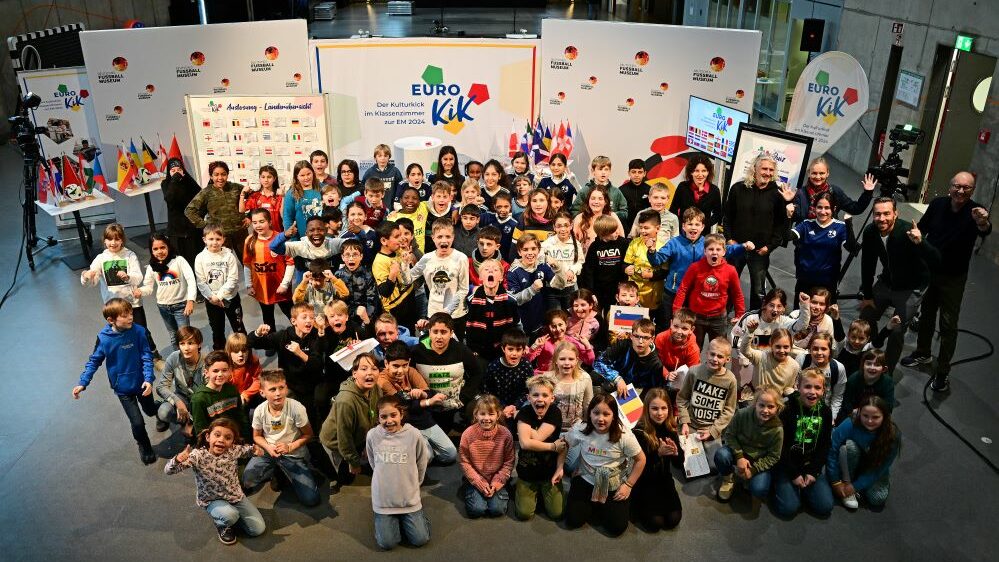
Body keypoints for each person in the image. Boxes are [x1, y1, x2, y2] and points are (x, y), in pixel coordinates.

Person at [903, 171, 992, 391]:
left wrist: (983, 222)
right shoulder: (937, 204)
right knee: (926, 315)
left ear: (972, 190)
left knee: (948, 324)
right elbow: (921, 229)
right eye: (957, 186)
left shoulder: (975, 212)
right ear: (950, 186)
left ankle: (942, 371)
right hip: (931, 271)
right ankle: (923, 353)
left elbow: (985, 230)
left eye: (966, 188)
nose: (960, 191)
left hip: (954, 277)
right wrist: (915, 237)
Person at [859, 197, 941, 375]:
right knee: (866, 316)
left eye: (887, 213)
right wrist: (867, 295)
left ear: (895, 213)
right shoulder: (870, 232)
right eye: (877, 214)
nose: (882, 218)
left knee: (897, 331)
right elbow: (867, 264)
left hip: (911, 287)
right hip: (887, 282)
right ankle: (873, 354)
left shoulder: (907, 232)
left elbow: (936, 260)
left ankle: (886, 372)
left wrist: (921, 243)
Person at [72, 298, 158, 465]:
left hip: (142, 384)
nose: (130, 318)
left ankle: (160, 413)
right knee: (137, 423)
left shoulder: (139, 331)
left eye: (131, 314)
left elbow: (147, 356)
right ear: (111, 320)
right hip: (123, 389)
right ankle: (144, 445)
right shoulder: (104, 339)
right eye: (125, 316)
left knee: (150, 410)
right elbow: (94, 361)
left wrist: (148, 379)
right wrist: (83, 382)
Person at [557, 393, 646, 537]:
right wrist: (559, 467)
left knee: (616, 528)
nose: (600, 419)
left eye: (606, 414)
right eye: (596, 413)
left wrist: (628, 485)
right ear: (589, 413)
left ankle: (601, 504)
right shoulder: (581, 429)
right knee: (573, 520)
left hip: (613, 482)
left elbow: (641, 459)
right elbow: (564, 445)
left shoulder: (624, 436)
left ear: (614, 415)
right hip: (586, 477)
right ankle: (593, 502)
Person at [165, 418, 266, 545]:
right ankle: (222, 523)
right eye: (217, 435)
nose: (221, 440)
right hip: (212, 499)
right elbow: (168, 471)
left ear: (232, 442)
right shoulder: (198, 456)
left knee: (257, 529)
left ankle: (230, 516)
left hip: (234, 496)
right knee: (230, 516)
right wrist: (177, 459)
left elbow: (249, 450)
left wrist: (257, 450)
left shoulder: (233, 450)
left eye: (228, 438)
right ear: (208, 437)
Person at [648, 208, 751, 327]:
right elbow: (657, 260)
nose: (693, 227)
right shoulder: (674, 243)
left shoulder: (707, 243)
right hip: (673, 292)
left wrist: (743, 246)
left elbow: (727, 250)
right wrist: (651, 251)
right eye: (690, 224)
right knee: (667, 325)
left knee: (689, 328)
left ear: (702, 227)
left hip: (696, 294)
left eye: (697, 224)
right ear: (683, 226)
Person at [723, 153, 794, 309]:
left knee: (758, 290)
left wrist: (770, 247)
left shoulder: (778, 193)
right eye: (764, 169)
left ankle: (755, 319)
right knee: (729, 285)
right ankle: (722, 316)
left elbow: (781, 224)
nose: (767, 173)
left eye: (771, 170)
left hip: (760, 251)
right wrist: (729, 240)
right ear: (754, 168)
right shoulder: (738, 188)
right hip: (737, 247)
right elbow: (727, 217)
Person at [242, 370, 321, 507]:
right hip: (269, 451)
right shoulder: (259, 411)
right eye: (272, 389)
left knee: (311, 499)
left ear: (286, 388)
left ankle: (284, 472)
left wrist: (290, 447)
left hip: (292, 453)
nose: (278, 393)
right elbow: (257, 436)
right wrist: (268, 447)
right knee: (247, 480)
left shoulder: (297, 408)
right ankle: (277, 470)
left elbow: (309, 435)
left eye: (281, 388)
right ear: (262, 392)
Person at [81, 223, 159, 358]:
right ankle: (130, 356)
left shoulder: (129, 255)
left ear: (122, 239)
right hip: (113, 305)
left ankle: (153, 355)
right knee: (119, 332)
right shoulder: (101, 258)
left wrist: (128, 277)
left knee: (142, 330)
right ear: (104, 240)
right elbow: (92, 280)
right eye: (110, 239)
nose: (113, 243)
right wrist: (86, 276)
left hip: (132, 303)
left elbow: (138, 277)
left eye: (117, 239)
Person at [366, 394, 432, 550]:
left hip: (408, 498)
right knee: (387, 543)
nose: (389, 421)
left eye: (393, 415)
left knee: (420, 539)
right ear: (378, 418)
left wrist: (415, 485)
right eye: (383, 417)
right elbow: (373, 462)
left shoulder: (414, 434)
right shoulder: (372, 436)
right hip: (383, 499)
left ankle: (414, 518)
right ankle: (389, 520)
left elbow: (422, 461)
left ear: (401, 414)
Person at [246, 303, 325, 426]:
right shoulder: (283, 336)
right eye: (304, 317)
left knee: (311, 419)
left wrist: (300, 353)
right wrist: (257, 333)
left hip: (311, 385)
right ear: (293, 321)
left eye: (311, 317)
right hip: (290, 385)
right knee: (287, 417)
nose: (309, 321)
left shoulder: (316, 336)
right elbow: (251, 342)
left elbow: (318, 365)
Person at [378, 341, 455, 463]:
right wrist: (428, 401)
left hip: (424, 420)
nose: (400, 370)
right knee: (427, 457)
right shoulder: (382, 380)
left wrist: (421, 393)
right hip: (407, 424)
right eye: (396, 366)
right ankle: (419, 453)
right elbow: (403, 404)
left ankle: (418, 453)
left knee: (450, 455)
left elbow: (428, 392)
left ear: (408, 362)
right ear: (386, 363)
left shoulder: (411, 371)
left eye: (404, 365)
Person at [772, 369, 834, 518]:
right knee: (788, 509)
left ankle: (804, 488)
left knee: (825, 507)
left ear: (823, 390)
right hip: (787, 465)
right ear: (798, 387)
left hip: (809, 465)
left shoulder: (825, 411)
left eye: (817, 388)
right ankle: (780, 485)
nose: (812, 392)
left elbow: (825, 445)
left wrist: (813, 471)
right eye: (807, 387)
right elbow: (780, 446)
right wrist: (793, 474)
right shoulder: (787, 410)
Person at [411, 313, 483, 433]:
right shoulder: (416, 352)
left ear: (451, 333)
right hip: (427, 406)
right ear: (429, 331)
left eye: (443, 332)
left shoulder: (462, 350)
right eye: (435, 331)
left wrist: (463, 397)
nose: (439, 336)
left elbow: (477, 373)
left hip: (455, 405)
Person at [401, 218, 471, 337]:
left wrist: (447, 311)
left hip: (456, 314)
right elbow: (407, 280)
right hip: (434, 312)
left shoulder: (461, 258)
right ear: (433, 237)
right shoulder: (427, 258)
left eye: (448, 237)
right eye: (440, 237)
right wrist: (405, 264)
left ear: (453, 237)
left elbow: (464, 289)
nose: (444, 240)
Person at [673, 233, 746, 347]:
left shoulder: (730, 270)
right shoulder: (695, 267)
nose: (714, 252)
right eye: (711, 249)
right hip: (696, 316)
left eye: (718, 249)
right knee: (692, 348)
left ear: (724, 252)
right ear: (705, 251)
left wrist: (739, 315)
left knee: (719, 349)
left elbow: (737, 294)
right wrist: (676, 311)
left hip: (719, 318)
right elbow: (683, 289)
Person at [321, 353, 383, 485]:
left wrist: (369, 444)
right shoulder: (346, 401)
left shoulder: (376, 388)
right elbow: (344, 437)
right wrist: (354, 462)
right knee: (346, 479)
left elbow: (376, 416)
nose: (370, 373)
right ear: (354, 373)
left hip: (360, 434)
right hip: (337, 442)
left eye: (374, 368)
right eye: (364, 368)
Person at [714, 385, 784, 501]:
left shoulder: (778, 429)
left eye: (771, 407)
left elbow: (774, 456)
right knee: (721, 455)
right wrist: (739, 456)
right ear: (755, 404)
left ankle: (748, 477)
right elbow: (730, 435)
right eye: (761, 405)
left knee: (759, 489)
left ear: (777, 408)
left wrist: (754, 470)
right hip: (739, 451)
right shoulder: (742, 414)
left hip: (758, 460)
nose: (765, 410)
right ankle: (728, 479)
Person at [828, 396, 900, 510]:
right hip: (851, 459)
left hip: (873, 467)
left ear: (884, 417)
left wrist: (856, 486)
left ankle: (859, 483)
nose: (870, 421)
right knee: (850, 446)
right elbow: (832, 450)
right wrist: (835, 481)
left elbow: (882, 467)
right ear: (859, 413)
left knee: (877, 499)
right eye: (865, 416)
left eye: (875, 417)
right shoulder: (850, 423)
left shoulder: (893, 435)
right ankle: (847, 480)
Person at [676, 338, 739, 466]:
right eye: (712, 354)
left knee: (714, 466)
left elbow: (729, 410)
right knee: (688, 465)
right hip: (691, 426)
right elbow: (682, 398)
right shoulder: (694, 371)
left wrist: (713, 431)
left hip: (711, 428)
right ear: (706, 353)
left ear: (727, 359)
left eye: (720, 356)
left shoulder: (730, 379)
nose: (715, 359)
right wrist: (684, 422)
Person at [514, 374, 567, 521]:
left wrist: (522, 423)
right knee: (524, 514)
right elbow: (525, 443)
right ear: (528, 397)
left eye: (545, 395)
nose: (540, 399)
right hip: (527, 473)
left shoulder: (554, 412)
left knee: (557, 514)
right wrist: (552, 447)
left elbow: (536, 438)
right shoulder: (524, 412)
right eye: (535, 395)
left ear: (552, 398)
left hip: (549, 473)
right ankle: (523, 488)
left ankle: (544, 493)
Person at [788, 191, 858, 300]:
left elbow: (852, 248)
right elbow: (786, 236)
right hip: (804, 280)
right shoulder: (806, 224)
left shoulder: (840, 227)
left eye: (827, 208)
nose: (823, 211)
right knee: (799, 314)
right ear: (814, 208)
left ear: (834, 209)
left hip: (827, 283)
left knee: (825, 316)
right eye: (819, 207)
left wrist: (849, 224)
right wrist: (788, 217)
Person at [632, 388, 683, 531]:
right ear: (647, 409)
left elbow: (679, 464)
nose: (660, 413)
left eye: (663, 408)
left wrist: (675, 453)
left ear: (669, 409)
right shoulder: (639, 432)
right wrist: (658, 455)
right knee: (655, 524)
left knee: (673, 520)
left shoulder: (671, 429)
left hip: (664, 479)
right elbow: (638, 469)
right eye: (654, 408)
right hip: (644, 482)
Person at [459, 395, 516, 518]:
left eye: (491, 414)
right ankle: (469, 486)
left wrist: (495, 484)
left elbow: (508, 463)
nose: (486, 418)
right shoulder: (467, 434)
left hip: (497, 477)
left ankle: (500, 487)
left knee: (497, 510)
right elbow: (465, 462)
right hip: (477, 477)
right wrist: (479, 483)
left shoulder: (506, 434)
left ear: (498, 415)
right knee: (477, 510)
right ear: (476, 415)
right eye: (482, 414)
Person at [243, 209, 292, 341]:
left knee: (291, 313)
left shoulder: (280, 238)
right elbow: (247, 265)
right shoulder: (250, 241)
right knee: (267, 316)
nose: (258, 225)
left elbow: (290, 263)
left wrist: (285, 284)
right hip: (262, 289)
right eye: (254, 222)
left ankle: (301, 336)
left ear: (270, 222)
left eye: (261, 221)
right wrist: (249, 285)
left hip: (281, 289)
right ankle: (271, 341)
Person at [195, 224, 246, 351]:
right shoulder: (200, 258)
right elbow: (201, 281)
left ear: (223, 239)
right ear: (204, 240)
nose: (214, 242)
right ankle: (220, 354)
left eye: (218, 239)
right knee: (217, 330)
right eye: (211, 239)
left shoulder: (229, 256)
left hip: (230, 298)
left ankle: (244, 351)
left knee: (238, 327)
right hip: (212, 301)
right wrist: (212, 297)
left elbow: (233, 279)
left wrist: (219, 296)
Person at [141, 233, 196, 349]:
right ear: (151, 250)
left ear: (168, 247)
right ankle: (178, 360)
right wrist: (139, 291)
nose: (159, 251)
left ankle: (189, 361)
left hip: (181, 305)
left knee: (185, 336)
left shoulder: (178, 260)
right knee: (173, 335)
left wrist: (190, 300)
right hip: (163, 306)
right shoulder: (152, 267)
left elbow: (191, 279)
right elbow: (148, 287)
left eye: (162, 247)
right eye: (155, 249)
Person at [185, 161, 247, 258]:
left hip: (240, 233)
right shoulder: (206, 192)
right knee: (221, 266)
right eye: (216, 175)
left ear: (227, 174)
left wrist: (250, 217)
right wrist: (206, 226)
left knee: (248, 263)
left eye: (223, 174)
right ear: (211, 176)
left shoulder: (236, 187)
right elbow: (189, 210)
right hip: (220, 236)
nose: (220, 178)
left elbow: (255, 199)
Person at [790, 157, 875, 224]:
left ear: (827, 173)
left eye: (822, 173)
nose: (818, 177)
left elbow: (855, 209)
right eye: (814, 173)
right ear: (808, 173)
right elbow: (793, 217)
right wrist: (787, 202)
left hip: (830, 240)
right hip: (805, 242)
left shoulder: (835, 191)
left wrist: (868, 192)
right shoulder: (800, 193)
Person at [465, 259, 520, 361]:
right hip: (479, 350)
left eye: (495, 270)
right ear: (480, 277)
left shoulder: (510, 300)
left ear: (501, 277)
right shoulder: (471, 300)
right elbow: (468, 327)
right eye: (486, 270)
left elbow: (517, 325)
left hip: (503, 350)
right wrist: (471, 349)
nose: (490, 272)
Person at [155, 326, 204, 436]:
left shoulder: (206, 362)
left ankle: (192, 424)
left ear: (199, 344)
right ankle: (184, 421)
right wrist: (178, 402)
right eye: (182, 344)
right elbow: (161, 386)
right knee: (163, 412)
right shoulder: (174, 358)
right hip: (182, 396)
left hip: (201, 401)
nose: (186, 348)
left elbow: (209, 395)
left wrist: (193, 423)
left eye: (190, 343)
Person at [593, 318, 663, 394]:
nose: (640, 341)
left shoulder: (656, 364)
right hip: (613, 383)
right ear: (631, 336)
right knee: (593, 376)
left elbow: (654, 391)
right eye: (637, 336)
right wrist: (617, 379)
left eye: (645, 337)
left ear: (652, 339)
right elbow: (598, 362)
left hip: (635, 395)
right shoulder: (623, 345)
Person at [579, 215, 629, 319]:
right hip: (598, 290)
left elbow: (627, 264)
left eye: (616, 230)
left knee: (612, 318)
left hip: (616, 289)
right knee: (596, 318)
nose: (617, 233)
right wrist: (590, 292)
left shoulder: (623, 243)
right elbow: (589, 270)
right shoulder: (594, 246)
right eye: (613, 231)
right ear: (603, 234)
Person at [506, 233, 556, 337]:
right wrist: (532, 289)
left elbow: (558, 285)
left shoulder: (542, 265)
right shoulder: (513, 272)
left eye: (533, 249)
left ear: (538, 250)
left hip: (541, 319)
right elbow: (515, 300)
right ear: (519, 252)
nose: (530, 253)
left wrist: (558, 268)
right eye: (525, 249)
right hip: (523, 322)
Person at [190, 351, 249, 437]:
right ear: (206, 373)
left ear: (230, 371)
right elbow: (201, 430)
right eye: (215, 371)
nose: (220, 374)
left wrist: (246, 438)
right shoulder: (199, 399)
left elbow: (241, 417)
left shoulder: (232, 390)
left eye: (224, 370)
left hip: (234, 437)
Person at [373, 221, 419, 331]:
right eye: (397, 236)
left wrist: (409, 261)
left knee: (411, 333)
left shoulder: (399, 250)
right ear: (384, 241)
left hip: (409, 298)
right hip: (396, 308)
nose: (401, 239)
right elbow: (385, 292)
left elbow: (408, 277)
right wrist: (392, 274)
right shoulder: (379, 262)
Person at [161, 157, 204, 272]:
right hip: (176, 231)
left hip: (192, 230)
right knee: (181, 263)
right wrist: (175, 179)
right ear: (169, 173)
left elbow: (201, 196)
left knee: (196, 261)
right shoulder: (166, 183)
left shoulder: (189, 182)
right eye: (173, 170)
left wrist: (185, 179)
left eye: (179, 170)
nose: (176, 173)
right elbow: (169, 198)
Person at [483, 329, 534, 423]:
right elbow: (489, 391)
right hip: (497, 404)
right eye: (510, 349)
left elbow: (529, 390)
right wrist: (503, 407)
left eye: (518, 349)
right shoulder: (494, 366)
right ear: (503, 348)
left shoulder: (526, 365)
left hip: (520, 404)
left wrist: (515, 406)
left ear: (523, 349)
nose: (514, 353)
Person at [739, 324, 800, 397]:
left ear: (791, 347)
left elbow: (788, 387)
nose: (782, 350)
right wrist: (750, 332)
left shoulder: (794, 366)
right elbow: (744, 350)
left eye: (786, 347)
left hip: (777, 402)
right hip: (755, 397)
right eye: (778, 347)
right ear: (771, 345)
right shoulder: (761, 357)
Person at [837, 349, 895, 425]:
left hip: (876, 414)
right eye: (868, 363)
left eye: (877, 365)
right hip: (855, 412)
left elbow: (888, 406)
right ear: (863, 365)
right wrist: (855, 411)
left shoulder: (888, 382)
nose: (872, 367)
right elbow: (846, 401)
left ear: (884, 369)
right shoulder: (854, 379)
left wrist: (872, 413)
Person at [625, 209, 667, 311]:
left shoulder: (664, 247)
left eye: (646, 228)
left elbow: (665, 271)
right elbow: (626, 263)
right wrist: (626, 269)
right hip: (633, 293)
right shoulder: (634, 243)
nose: (643, 231)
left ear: (657, 228)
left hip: (653, 294)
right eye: (641, 227)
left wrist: (652, 275)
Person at [527, 309, 595, 371]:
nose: (558, 329)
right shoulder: (543, 342)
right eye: (553, 326)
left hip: (566, 376)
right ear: (548, 327)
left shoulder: (572, 341)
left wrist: (587, 345)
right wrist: (534, 346)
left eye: (560, 325)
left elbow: (589, 361)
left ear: (566, 324)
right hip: (546, 377)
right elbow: (527, 360)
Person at [653, 308, 702, 393]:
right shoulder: (660, 338)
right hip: (661, 372)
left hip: (682, 380)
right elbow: (656, 361)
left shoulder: (694, 349)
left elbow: (692, 374)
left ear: (692, 330)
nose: (679, 331)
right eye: (675, 326)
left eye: (684, 328)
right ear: (671, 323)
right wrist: (666, 374)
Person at [548, 341, 594, 432]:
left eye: (571, 359)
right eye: (562, 359)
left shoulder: (585, 378)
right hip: (551, 428)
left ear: (577, 360)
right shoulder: (547, 378)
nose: (567, 363)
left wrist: (587, 428)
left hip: (577, 429)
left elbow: (588, 405)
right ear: (556, 361)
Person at [669, 153, 723, 230]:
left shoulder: (714, 191)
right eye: (696, 171)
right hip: (683, 231)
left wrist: (704, 225)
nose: (700, 175)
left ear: (708, 172)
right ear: (691, 172)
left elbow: (718, 214)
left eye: (704, 171)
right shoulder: (682, 187)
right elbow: (673, 210)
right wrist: (683, 225)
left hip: (703, 234)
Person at [541, 211, 583, 310]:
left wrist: (572, 270)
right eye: (559, 226)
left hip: (569, 287)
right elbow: (541, 264)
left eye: (566, 225)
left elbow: (580, 262)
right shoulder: (547, 244)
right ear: (554, 227)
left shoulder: (576, 244)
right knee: (554, 316)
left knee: (569, 317)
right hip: (551, 288)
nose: (563, 229)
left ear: (571, 226)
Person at [572, 155, 628, 225]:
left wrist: (609, 215)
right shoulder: (585, 191)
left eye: (606, 169)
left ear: (610, 171)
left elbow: (624, 213)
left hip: (609, 230)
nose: (603, 172)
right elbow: (575, 211)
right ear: (593, 171)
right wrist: (589, 217)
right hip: (589, 230)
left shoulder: (616, 192)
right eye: (600, 169)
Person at [573, 185, 625, 254]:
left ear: (605, 202)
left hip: (608, 258)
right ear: (588, 200)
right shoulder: (579, 218)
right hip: (585, 259)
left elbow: (622, 240)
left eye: (600, 199)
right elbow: (573, 243)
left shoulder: (612, 216)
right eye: (593, 198)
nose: (596, 202)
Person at [280, 160, 323, 242]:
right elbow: (288, 218)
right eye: (302, 175)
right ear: (297, 176)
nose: (306, 178)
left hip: (323, 237)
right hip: (302, 239)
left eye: (308, 174)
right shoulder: (291, 194)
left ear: (313, 173)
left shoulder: (322, 188)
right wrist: (293, 239)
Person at [240, 164, 283, 231]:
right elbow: (242, 210)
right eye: (263, 177)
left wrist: (283, 196)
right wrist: (242, 194)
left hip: (277, 234)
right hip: (260, 235)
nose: (266, 180)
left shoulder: (279, 197)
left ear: (274, 178)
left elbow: (284, 215)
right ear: (259, 178)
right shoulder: (255, 196)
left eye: (269, 177)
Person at [619, 158, 651, 228]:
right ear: (629, 173)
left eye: (640, 172)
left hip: (644, 227)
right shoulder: (621, 190)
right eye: (633, 172)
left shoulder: (650, 190)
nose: (636, 175)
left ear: (644, 173)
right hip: (625, 228)